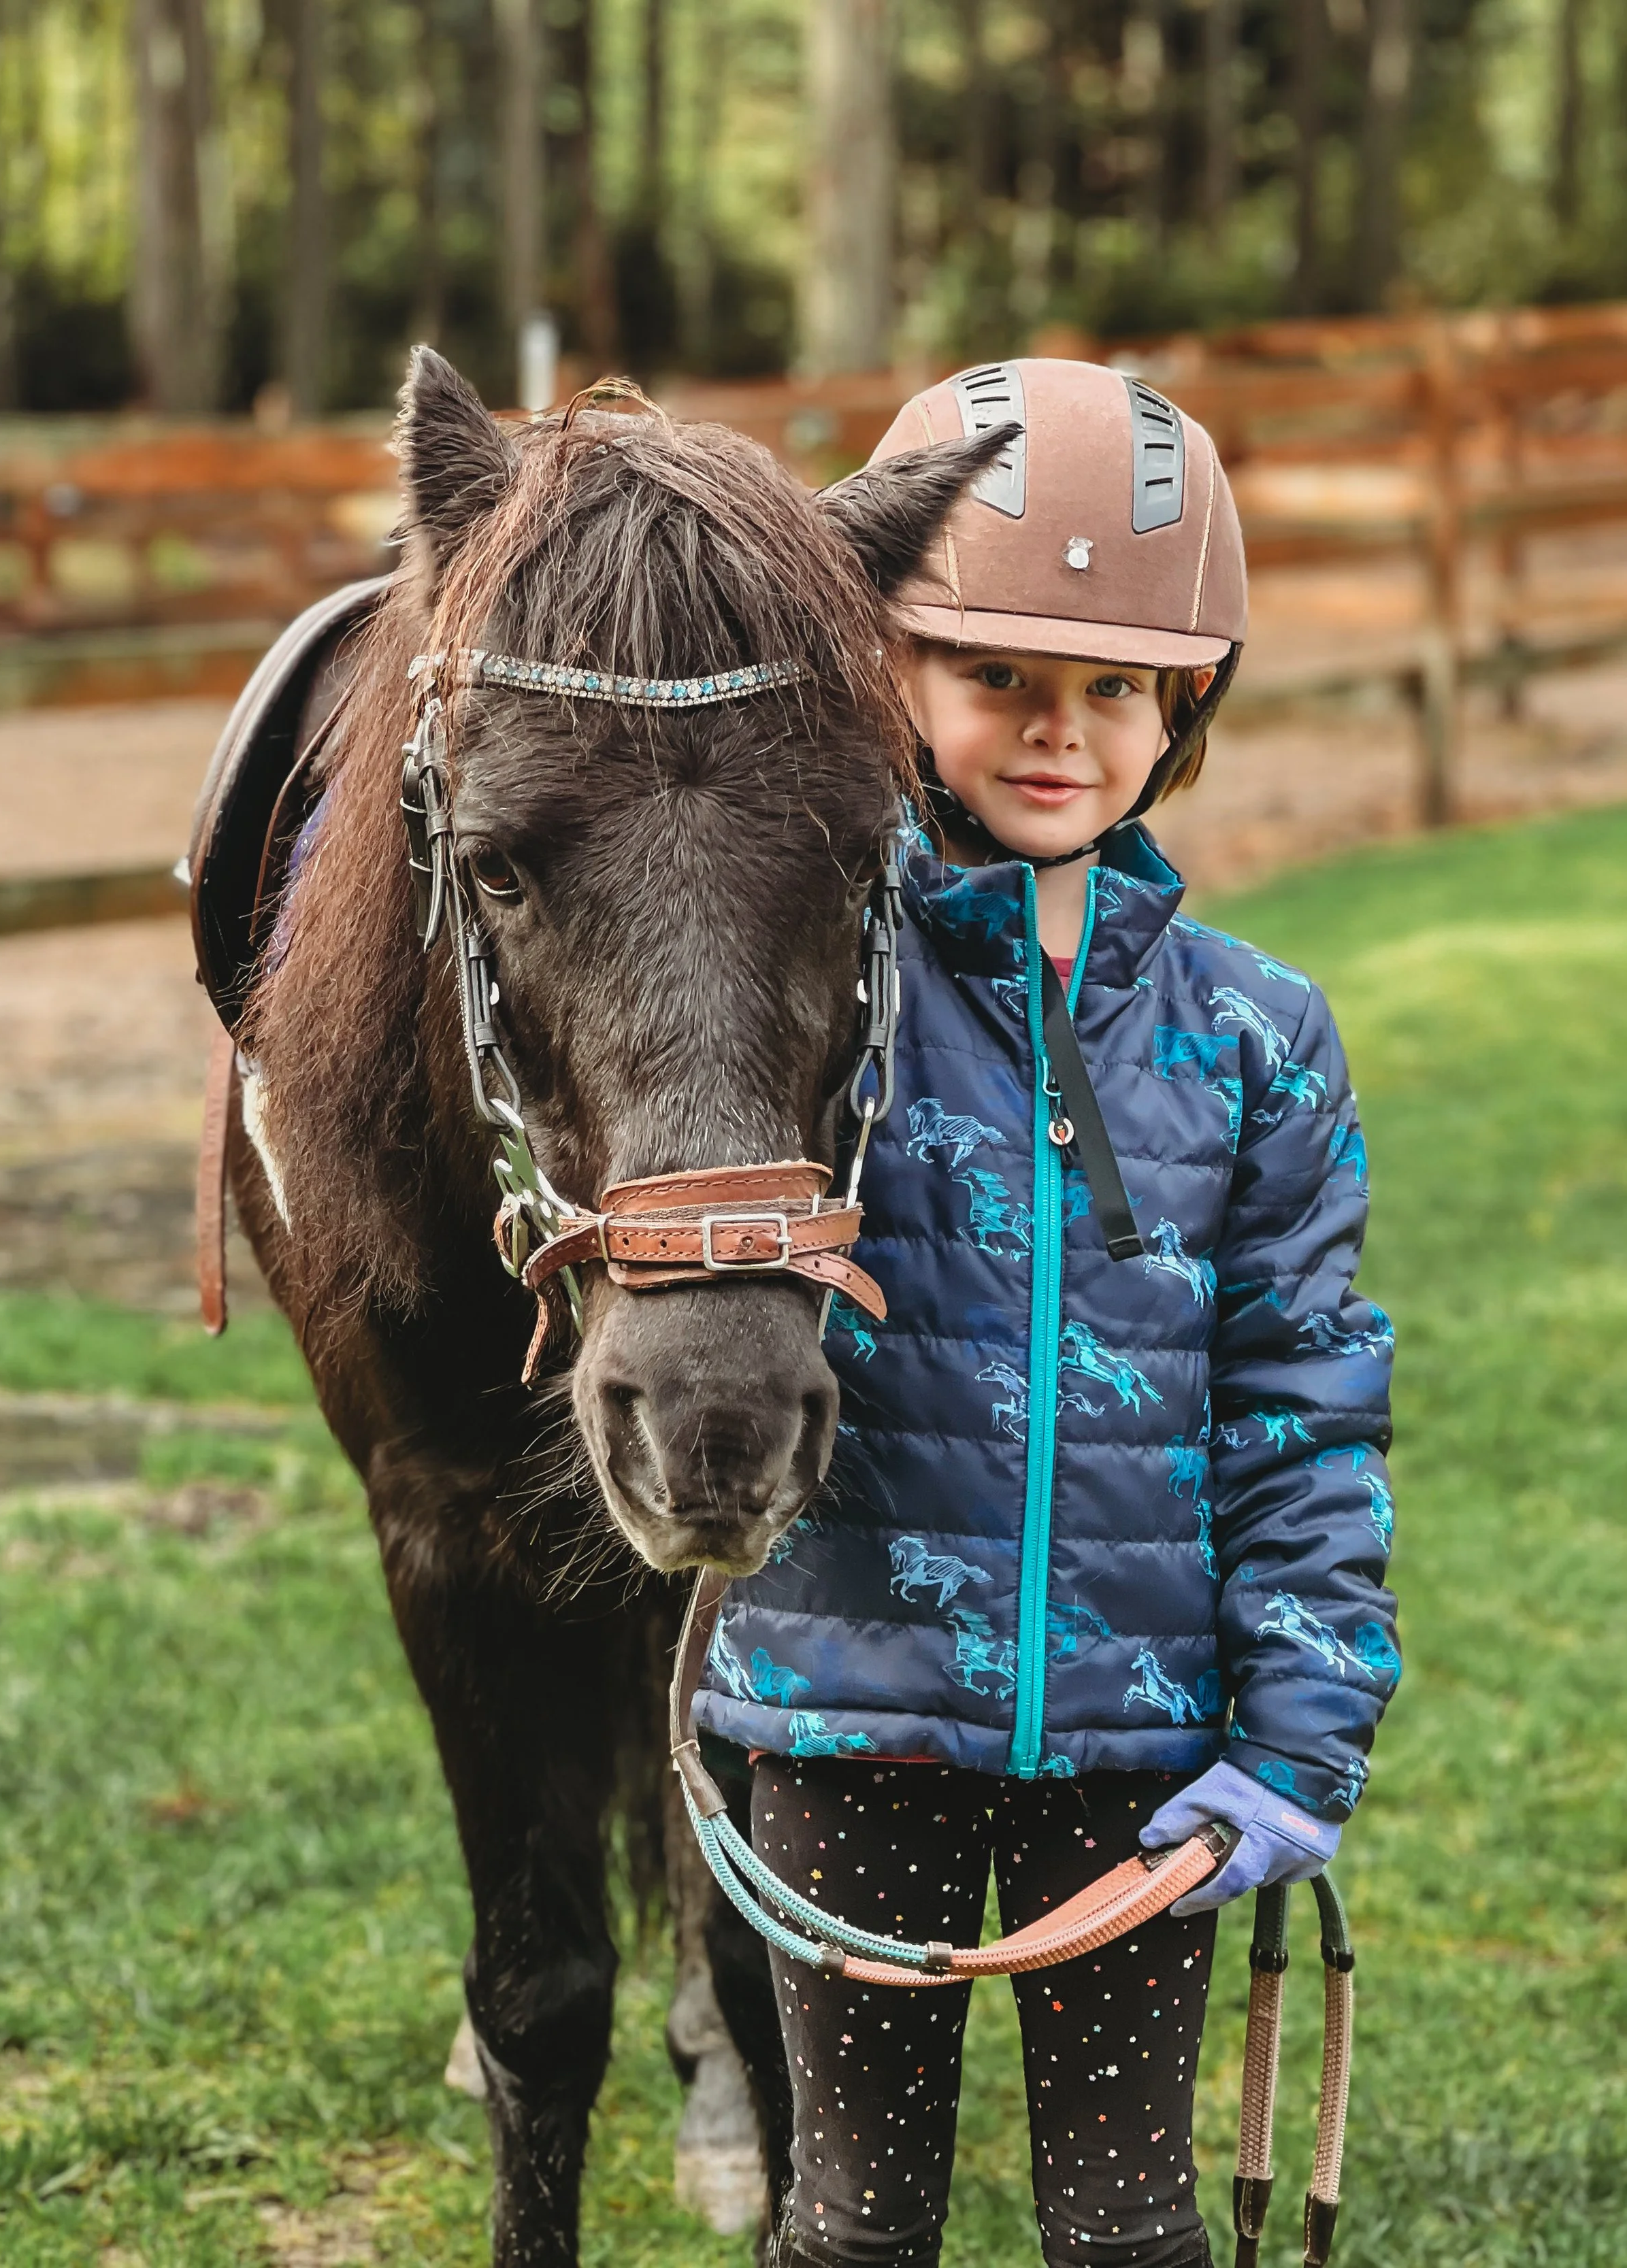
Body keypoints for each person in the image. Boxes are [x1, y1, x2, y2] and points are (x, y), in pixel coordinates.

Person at [693, 359, 1399, 2268]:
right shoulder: (804, 986)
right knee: (852, 2225)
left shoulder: (1257, 1034)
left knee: (1122, 2232)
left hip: (1143, 1746)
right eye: (996, 673)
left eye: (1113, 686)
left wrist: (1302, 1726)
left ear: (1186, 704)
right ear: (891, 677)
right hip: (845, 1722)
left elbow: (1300, 1394)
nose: (1057, 730)